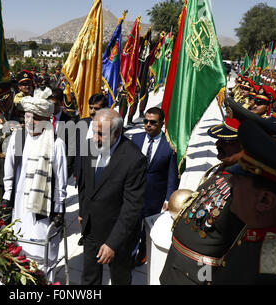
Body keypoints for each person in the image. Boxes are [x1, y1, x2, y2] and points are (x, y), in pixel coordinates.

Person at [159, 116, 246, 285]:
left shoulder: (243, 187)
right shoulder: (221, 170)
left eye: (226, 142)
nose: (218, 144)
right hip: (175, 267)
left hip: (199, 275)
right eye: (219, 139)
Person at [2, 90, 67, 281]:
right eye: (27, 117)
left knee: (42, 253)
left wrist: (58, 209)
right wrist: (7, 197)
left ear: (46, 119)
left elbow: (60, 181)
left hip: (43, 208)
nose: (30, 122)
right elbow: (9, 169)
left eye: (35, 118)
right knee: (19, 248)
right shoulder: (18, 137)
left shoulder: (56, 143)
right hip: (21, 205)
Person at [78, 108, 146, 285]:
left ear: (116, 132)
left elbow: (131, 207)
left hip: (117, 235)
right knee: (89, 278)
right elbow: (85, 184)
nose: (94, 138)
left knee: (120, 279)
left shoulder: (134, 159)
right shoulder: (91, 147)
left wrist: (113, 243)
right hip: (91, 227)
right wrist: (83, 212)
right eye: (93, 132)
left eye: (100, 134)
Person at [212, 119, 276, 284]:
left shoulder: (269, 268)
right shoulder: (257, 235)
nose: (230, 182)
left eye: (238, 179)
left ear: (265, 200)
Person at [131, 107, 180, 266]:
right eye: (145, 121)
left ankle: (143, 251)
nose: (147, 125)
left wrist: (169, 198)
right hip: (134, 192)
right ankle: (131, 255)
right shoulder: (135, 139)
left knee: (147, 226)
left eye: (152, 122)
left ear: (161, 124)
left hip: (154, 195)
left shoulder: (170, 145)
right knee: (132, 225)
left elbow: (172, 175)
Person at [49, 88, 76, 178]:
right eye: (49, 104)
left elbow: (72, 146)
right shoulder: (43, 118)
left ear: (61, 104)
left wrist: (68, 167)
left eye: (55, 105)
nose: (51, 107)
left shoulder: (69, 121)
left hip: (61, 164)